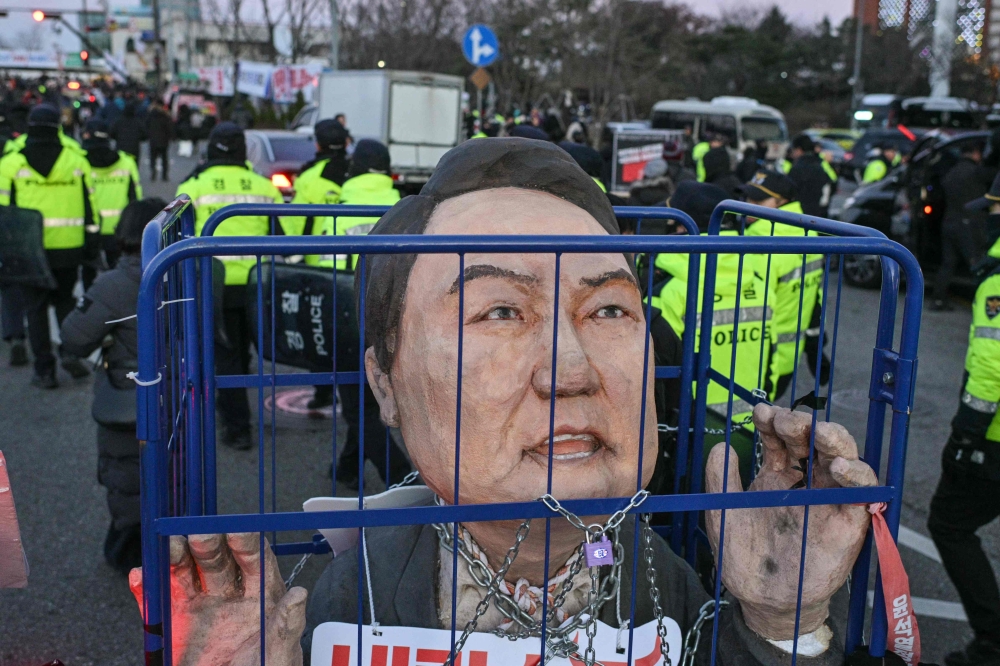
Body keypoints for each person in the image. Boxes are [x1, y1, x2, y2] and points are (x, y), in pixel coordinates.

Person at [131, 138, 881, 665]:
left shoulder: (668, 581)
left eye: (610, 311)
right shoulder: (352, 600)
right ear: (385, 385)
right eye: (498, 312)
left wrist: (785, 624)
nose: (571, 370)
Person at [60, 198, 166, 574]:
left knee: (129, 471)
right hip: (184, 393)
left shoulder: (115, 284)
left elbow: (73, 338)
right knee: (180, 469)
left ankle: (130, 554)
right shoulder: (194, 272)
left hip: (130, 399)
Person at [175, 122, 286, 450]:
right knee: (248, 349)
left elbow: (181, 239)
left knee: (224, 357)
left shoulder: (191, 186)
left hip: (214, 283)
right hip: (257, 282)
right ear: (242, 150)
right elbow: (282, 237)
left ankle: (237, 427)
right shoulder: (265, 188)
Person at [928, 173, 1000, 666]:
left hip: (992, 440)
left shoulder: (997, 283)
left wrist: (967, 433)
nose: (989, 218)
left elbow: (992, 367)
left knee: (949, 524)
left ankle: (993, 641)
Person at [0, 103, 99, 387]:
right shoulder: (77, 160)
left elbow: (4, 215)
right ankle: (69, 352)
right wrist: (91, 240)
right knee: (65, 301)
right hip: (69, 246)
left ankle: (44, 370)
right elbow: (90, 205)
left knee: (35, 308)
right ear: (58, 127)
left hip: (29, 250)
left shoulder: (11, 163)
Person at [743, 170, 829, 401]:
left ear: (782, 202)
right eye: (749, 198)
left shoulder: (757, 238)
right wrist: (815, 343)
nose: (749, 205)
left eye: (759, 200)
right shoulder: (809, 232)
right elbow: (815, 294)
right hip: (789, 355)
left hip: (754, 356)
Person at [81, 118, 142, 283]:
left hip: (88, 228)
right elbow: (135, 198)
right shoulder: (126, 162)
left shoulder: (80, 162)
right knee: (118, 275)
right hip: (118, 228)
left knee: (89, 273)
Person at [931, 142, 988, 311]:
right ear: (975, 153)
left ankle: (938, 299)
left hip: (949, 222)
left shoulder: (951, 172)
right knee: (977, 264)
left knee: (948, 264)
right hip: (969, 225)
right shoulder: (976, 172)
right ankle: (983, 303)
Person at [787, 135, 836, 218]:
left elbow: (789, 191)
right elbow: (831, 184)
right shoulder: (820, 164)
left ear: (799, 150)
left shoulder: (797, 168)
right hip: (818, 213)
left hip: (798, 214)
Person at [145, 101, 173, 181]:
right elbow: (169, 128)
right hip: (164, 140)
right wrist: (171, 137)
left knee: (153, 158)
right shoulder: (165, 116)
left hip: (153, 140)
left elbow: (146, 127)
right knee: (164, 158)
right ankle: (164, 175)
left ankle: (153, 172)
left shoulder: (150, 116)